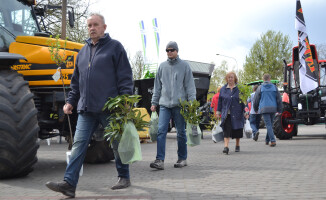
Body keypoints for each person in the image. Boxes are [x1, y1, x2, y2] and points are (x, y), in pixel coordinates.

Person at [45, 13, 134, 198]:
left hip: (110, 107)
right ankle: (69, 184)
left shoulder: (115, 48)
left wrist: (126, 100)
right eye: (89, 25)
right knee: (78, 145)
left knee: (116, 144)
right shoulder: (82, 52)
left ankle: (124, 176)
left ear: (104, 27)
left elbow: (125, 76)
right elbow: (76, 82)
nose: (91, 28)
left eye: (95, 25)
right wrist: (70, 101)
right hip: (86, 109)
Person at [150, 41, 196, 170]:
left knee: (181, 132)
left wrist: (192, 103)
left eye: (172, 50)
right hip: (164, 104)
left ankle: (182, 158)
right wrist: (154, 102)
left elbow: (190, 86)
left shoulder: (184, 66)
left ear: (177, 51)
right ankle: (159, 160)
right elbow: (157, 87)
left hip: (179, 104)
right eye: (167, 50)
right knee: (161, 131)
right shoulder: (162, 67)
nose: (169, 52)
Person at [217, 72, 248, 154]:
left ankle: (237, 145)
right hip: (226, 113)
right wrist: (218, 111)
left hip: (237, 112)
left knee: (237, 129)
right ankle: (226, 147)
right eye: (229, 77)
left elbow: (243, 101)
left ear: (235, 78)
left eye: (232, 77)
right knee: (226, 130)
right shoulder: (223, 89)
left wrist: (245, 111)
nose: (230, 79)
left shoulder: (239, 88)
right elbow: (220, 101)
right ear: (226, 79)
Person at [253, 74, 282, 147]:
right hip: (273, 108)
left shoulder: (260, 88)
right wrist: (279, 109)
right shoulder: (275, 87)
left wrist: (255, 108)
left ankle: (273, 141)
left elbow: (256, 99)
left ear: (263, 79)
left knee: (269, 125)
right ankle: (267, 140)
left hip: (264, 108)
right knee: (270, 124)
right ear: (270, 79)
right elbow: (279, 99)